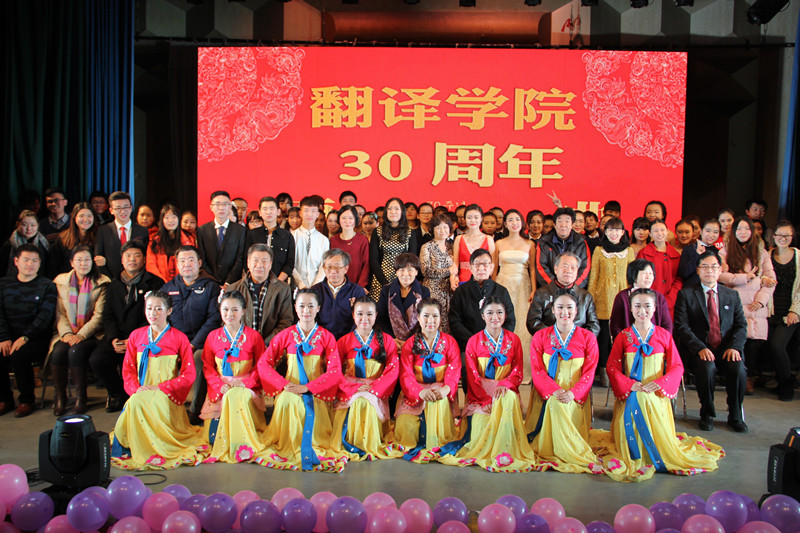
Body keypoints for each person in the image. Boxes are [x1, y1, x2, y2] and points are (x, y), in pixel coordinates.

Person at [600, 288, 724, 482]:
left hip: (656, 393)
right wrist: (628, 384)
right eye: (637, 306)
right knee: (639, 397)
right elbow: (612, 366)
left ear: (655, 308)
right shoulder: (624, 336)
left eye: (647, 306)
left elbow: (677, 366)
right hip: (631, 391)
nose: (642, 311)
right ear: (631, 309)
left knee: (647, 398)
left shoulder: (664, 335)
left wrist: (659, 384)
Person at [110, 290, 209, 469]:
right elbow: (128, 371)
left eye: (158, 308)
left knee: (137, 403)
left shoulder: (179, 338)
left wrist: (162, 388)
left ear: (169, 311)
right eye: (149, 308)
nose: (153, 313)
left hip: (166, 395)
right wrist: (136, 389)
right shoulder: (136, 336)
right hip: (141, 392)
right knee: (135, 401)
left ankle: (144, 447)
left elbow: (189, 375)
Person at [438, 297, 536, 472]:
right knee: (481, 426)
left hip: (505, 392)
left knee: (506, 400)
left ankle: (505, 451)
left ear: (505, 315)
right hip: (481, 397)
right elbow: (472, 377)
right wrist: (485, 402)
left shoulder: (514, 340)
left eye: (499, 312)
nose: (495, 317)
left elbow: (517, 371)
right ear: (482, 315)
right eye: (490, 313)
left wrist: (506, 385)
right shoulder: (473, 341)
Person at [256, 288, 346, 472]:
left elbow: (335, 370)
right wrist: (284, 385)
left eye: (311, 306)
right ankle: (288, 445)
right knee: (287, 401)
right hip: (290, 388)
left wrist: (309, 388)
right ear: (295, 308)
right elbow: (263, 363)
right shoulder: (285, 335)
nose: (306, 310)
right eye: (302, 306)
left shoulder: (327, 337)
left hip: (316, 392)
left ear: (318, 308)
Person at [526, 288, 602, 474]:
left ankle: (570, 449)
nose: (564, 312)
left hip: (575, 398)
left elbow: (589, 371)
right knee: (555, 402)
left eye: (569, 307)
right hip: (547, 397)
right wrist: (555, 391)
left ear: (577, 311)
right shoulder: (540, 336)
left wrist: (573, 393)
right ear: (553, 310)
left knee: (563, 404)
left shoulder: (588, 337)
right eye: (560, 307)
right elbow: (537, 370)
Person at [674, 250, 748, 432]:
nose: (709, 271)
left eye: (714, 267)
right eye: (705, 267)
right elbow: (682, 326)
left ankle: (735, 414)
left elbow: (741, 325)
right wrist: (699, 347)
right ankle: (706, 412)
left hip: (726, 349)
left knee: (738, 369)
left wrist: (734, 347)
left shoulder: (732, 295)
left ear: (720, 270)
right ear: (698, 270)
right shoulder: (686, 294)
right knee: (706, 368)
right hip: (699, 350)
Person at [90, 241, 164, 413]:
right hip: (117, 336)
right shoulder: (113, 285)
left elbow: (155, 317)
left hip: (143, 337)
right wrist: (114, 338)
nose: (132, 259)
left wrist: (132, 339)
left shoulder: (155, 283)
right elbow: (107, 315)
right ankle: (117, 393)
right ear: (122, 260)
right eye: (128, 256)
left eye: (137, 256)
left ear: (144, 259)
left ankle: (136, 395)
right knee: (97, 359)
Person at [330, 297, 402, 460]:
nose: (364, 318)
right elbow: (335, 370)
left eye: (369, 314)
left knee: (366, 401)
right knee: (357, 401)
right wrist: (352, 387)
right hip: (350, 388)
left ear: (376, 315)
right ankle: (351, 441)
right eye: (360, 314)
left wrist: (374, 388)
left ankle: (368, 443)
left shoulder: (387, 340)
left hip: (375, 388)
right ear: (353, 315)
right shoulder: (344, 341)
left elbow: (393, 369)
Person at [199, 290, 267, 463]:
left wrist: (247, 383)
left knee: (236, 396)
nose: (230, 314)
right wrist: (218, 385)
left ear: (243, 311)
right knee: (211, 438)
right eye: (226, 309)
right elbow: (208, 366)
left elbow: (261, 365)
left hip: (245, 386)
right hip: (220, 386)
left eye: (235, 310)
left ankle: (242, 443)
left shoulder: (254, 336)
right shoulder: (212, 336)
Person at [394, 298, 461, 463]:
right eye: (426, 316)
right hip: (416, 391)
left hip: (440, 388)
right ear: (418, 317)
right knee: (407, 428)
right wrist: (419, 392)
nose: (431, 320)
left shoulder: (450, 342)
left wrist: (446, 389)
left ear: (441, 318)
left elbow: (454, 370)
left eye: (435, 316)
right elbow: (406, 374)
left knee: (437, 405)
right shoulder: (410, 344)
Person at [162, 245, 222, 422]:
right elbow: (163, 320)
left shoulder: (211, 287)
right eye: (182, 261)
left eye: (191, 260)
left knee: (198, 358)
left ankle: (195, 411)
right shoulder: (167, 288)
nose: (186, 264)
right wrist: (176, 344)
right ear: (177, 264)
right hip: (175, 342)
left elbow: (213, 319)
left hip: (201, 342)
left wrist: (193, 344)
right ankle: (164, 407)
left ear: (199, 263)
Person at [48, 246, 110, 415]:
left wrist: (81, 334)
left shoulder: (101, 282)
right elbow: (60, 313)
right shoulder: (61, 282)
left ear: (92, 262)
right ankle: (60, 396)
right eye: (79, 260)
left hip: (92, 334)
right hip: (67, 332)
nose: (83, 263)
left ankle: (80, 397)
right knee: (58, 353)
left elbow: (99, 316)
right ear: (71, 262)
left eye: (87, 260)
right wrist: (67, 334)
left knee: (75, 352)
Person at [718, 216, 776, 394]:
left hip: (754, 304)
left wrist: (761, 300)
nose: (743, 232)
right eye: (739, 229)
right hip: (733, 301)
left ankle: (748, 378)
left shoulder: (761, 252)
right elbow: (718, 274)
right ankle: (734, 376)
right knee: (734, 341)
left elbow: (771, 279)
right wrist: (744, 277)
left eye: (747, 229)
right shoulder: (726, 250)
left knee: (751, 344)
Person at [0, 245, 58, 417]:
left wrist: (25, 337)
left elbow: (45, 316)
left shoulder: (47, 285)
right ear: (16, 261)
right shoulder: (3, 284)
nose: (30, 264)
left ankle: (27, 400)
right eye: (26, 260)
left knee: (19, 355)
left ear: (40, 263)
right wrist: (3, 337)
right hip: (8, 336)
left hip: (36, 338)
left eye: (34, 260)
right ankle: (5, 399)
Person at [588, 217, 635, 385]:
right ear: (605, 232)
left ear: (622, 232)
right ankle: (603, 370)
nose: (613, 233)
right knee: (604, 337)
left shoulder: (629, 251)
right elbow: (594, 275)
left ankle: (621, 369)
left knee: (621, 334)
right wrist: (591, 298)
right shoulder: (599, 250)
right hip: (603, 297)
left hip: (623, 297)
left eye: (617, 230)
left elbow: (631, 276)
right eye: (610, 230)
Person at [493, 209, 536, 382]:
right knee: (502, 322)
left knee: (521, 324)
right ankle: (501, 368)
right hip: (503, 283)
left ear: (522, 222)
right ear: (505, 224)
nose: (514, 223)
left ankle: (523, 370)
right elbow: (494, 268)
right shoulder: (499, 243)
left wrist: (533, 289)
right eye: (510, 220)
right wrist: (492, 289)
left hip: (522, 285)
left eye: (517, 219)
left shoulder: (530, 244)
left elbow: (532, 269)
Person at [449, 249, 516, 353]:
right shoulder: (461, 292)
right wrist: (474, 342)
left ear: (491, 267)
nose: (481, 268)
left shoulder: (501, 291)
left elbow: (510, 320)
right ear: (470, 267)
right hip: (469, 347)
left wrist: (496, 341)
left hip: (497, 347)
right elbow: (455, 322)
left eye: (485, 264)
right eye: (476, 264)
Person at [227, 244, 293, 345]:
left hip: (270, 347)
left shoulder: (283, 289)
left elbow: (285, 322)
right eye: (255, 260)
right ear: (248, 262)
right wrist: (244, 344)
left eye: (264, 261)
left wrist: (265, 344)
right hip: (240, 346)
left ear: (270, 264)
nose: (259, 265)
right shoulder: (233, 289)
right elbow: (228, 321)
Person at [527, 252, 600, 337]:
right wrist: (555, 336)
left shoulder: (586, 296)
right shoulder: (541, 294)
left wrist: (578, 338)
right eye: (565, 266)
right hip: (550, 341)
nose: (569, 271)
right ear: (556, 269)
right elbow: (533, 322)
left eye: (573, 267)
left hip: (578, 342)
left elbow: (594, 325)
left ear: (577, 271)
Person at [768, 220, 800, 401]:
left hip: (791, 311)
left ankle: (787, 385)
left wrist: (795, 311)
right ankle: (781, 381)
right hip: (770, 310)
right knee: (771, 349)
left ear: (792, 237)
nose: (783, 238)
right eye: (779, 235)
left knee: (778, 346)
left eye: (787, 235)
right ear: (774, 236)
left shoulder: (799, 257)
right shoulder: (767, 255)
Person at [377, 253, 432, 351]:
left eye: (410, 270)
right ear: (396, 272)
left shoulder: (424, 292)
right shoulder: (386, 291)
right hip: (391, 342)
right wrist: (392, 339)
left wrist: (409, 342)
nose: (406, 274)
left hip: (415, 342)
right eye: (401, 270)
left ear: (416, 272)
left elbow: (425, 320)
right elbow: (381, 319)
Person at [609, 259, 673, 339]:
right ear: (634, 275)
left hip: (656, 343)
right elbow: (615, 326)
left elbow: (667, 325)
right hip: (628, 343)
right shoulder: (622, 297)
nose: (649, 277)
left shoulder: (659, 297)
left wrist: (659, 342)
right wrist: (625, 342)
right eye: (645, 273)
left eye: (651, 273)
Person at [313, 249, 367, 339]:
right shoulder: (315, 291)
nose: (333, 271)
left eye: (337, 267)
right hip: (321, 339)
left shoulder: (357, 291)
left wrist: (347, 340)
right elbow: (312, 319)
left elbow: (361, 320)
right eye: (329, 267)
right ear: (324, 268)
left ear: (346, 268)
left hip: (349, 339)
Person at [369, 198, 417, 299]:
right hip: (381, 278)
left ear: (402, 212)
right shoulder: (378, 231)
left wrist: (402, 280)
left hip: (403, 279)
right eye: (390, 209)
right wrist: (384, 283)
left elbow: (412, 260)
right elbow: (373, 260)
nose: (393, 212)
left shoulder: (410, 232)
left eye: (396, 209)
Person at [94, 191, 149, 279]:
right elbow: (99, 259)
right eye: (118, 208)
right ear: (111, 211)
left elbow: (147, 258)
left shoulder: (143, 231)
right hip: (111, 279)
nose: (123, 211)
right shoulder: (103, 230)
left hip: (138, 278)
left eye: (126, 207)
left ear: (131, 208)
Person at [196, 190, 246, 286]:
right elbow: (202, 259)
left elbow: (240, 259)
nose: (221, 208)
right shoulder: (202, 230)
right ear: (211, 207)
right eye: (217, 204)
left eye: (225, 204)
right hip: (209, 283)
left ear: (230, 207)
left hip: (233, 283)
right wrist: (213, 281)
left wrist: (228, 283)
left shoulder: (240, 230)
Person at [535, 207, 591, 289]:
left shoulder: (581, 243)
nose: (563, 225)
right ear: (555, 225)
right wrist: (556, 287)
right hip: (550, 290)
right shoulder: (543, 243)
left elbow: (585, 269)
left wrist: (572, 288)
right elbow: (540, 268)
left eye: (567, 221)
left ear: (572, 225)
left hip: (574, 291)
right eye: (560, 221)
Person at [244, 196, 295, 283]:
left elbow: (290, 264)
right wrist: (256, 279)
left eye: (272, 208)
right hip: (255, 282)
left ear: (278, 211)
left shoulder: (287, 236)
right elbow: (246, 259)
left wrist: (277, 282)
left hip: (279, 284)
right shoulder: (251, 234)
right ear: (260, 212)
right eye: (265, 209)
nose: (268, 212)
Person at [637, 219, 681, 314]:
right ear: (650, 234)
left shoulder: (675, 255)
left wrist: (670, 299)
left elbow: (678, 279)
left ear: (667, 231)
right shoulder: (643, 254)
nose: (659, 233)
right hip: (649, 302)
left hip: (670, 304)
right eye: (656, 231)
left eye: (662, 230)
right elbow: (640, 279)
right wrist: (651, 299)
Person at [420, 214, 455, 333]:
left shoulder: (452, 246)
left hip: (450, 291)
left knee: (450, 322)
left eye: (445, 227)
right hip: (433, 290)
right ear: (432, 229)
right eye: (438, 227)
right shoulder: (427, 247)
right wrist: (448, 271)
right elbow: (426, 271)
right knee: (435, 320)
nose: (442, 230)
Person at [48, 202, 98, 278]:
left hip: (93, 279)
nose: (85, 219)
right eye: (81, 216)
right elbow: (54, 264)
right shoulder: (63, 237)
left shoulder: (100, 236)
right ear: (74, 217)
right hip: (68, 280)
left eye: (89, 216)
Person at [147, 204, 191, 283]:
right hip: (160, 284)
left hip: (183, 284)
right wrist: (164, 283)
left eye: (174, 217)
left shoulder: (188, 240)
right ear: (162, 220)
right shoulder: (154, 241)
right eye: (167, 217)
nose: (170, 221)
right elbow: (151, 266)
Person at [292, 196, 330, 289]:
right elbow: (290, 263)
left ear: (317, 214)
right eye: (306, 211)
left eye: (313, 211)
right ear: (300, 213)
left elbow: (324, 265)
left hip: (317, 287)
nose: (310, 214)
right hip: (295, 287)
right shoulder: (292, 236)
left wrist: (315, 285)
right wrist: (301, 284)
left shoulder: (323, 240)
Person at [452, 204, 495, 284]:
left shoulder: (488, 239)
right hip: (463, 281)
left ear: (481, 218)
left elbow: (492, 263)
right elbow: (455, 263)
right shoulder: (459, 239)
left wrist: (487, 280)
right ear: (465, 219)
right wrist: (453, 277)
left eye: (476, 217)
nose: (472, 220)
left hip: (483, 281)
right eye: (469, 217)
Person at [329, 206, 369, 289]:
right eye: (344, 218)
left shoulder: (362, 240)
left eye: (350, 218)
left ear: (355, 220)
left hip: (357, 286)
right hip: (336, 286)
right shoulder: (333, 241)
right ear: (339, 220)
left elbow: (366, 264)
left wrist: (360, 286)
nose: (347, 221)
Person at [0, 210, 49, 278]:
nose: (29, 228)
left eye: (33, 225)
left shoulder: (44, 244)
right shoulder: (9, 245)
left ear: (38, 225)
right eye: (24, 225)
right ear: (18, 224)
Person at [678, 219, 721, 289]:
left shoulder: (718, 252)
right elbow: (684, 273)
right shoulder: (689, 249)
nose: (711, 235)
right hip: (691, 290)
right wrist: (697, 255)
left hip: (711, 291)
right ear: (701, 231)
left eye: (715, 232)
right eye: (708, 231)